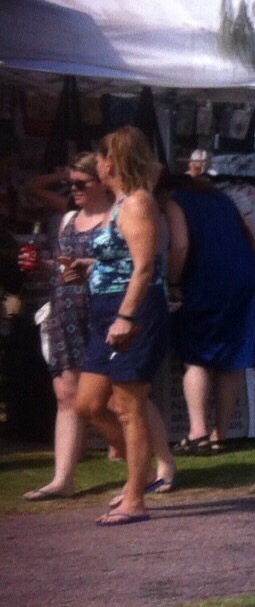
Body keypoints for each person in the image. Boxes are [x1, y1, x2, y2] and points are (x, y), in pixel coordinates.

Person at [75, 127, 177, 525]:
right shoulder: (120, 203)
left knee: (129, 406)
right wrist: (89, 266)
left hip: (133, 312)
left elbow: (145, 266)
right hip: (107, 309)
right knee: (88, 404)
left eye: (100, 158)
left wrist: (126, 316)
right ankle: (143, 472)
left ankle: (135, 498)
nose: (97, 165)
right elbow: (122, 257)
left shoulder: (137, 202)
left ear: (110, 163)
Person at [21, 154, 131, 501]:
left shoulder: (119, 216)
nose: (74, 190)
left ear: (102, 182)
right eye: (71, 184)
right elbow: (69, 271)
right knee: (66, 395)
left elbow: (130, 265)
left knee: (116, 398)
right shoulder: (69, 218)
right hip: (66, 312)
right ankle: (63, 479)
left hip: (103, 313)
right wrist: (46, 266)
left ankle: (146, 465)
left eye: (81, 183)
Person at [162, 173, 255, 456]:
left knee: (196, 356)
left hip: (208, 280)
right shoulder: (222, 198)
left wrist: (172, 281)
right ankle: (220, 434)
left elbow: (181, 245)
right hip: (245, 279)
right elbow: (253, 233)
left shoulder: (176, 201)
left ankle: (197, 433)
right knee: (232, 360)